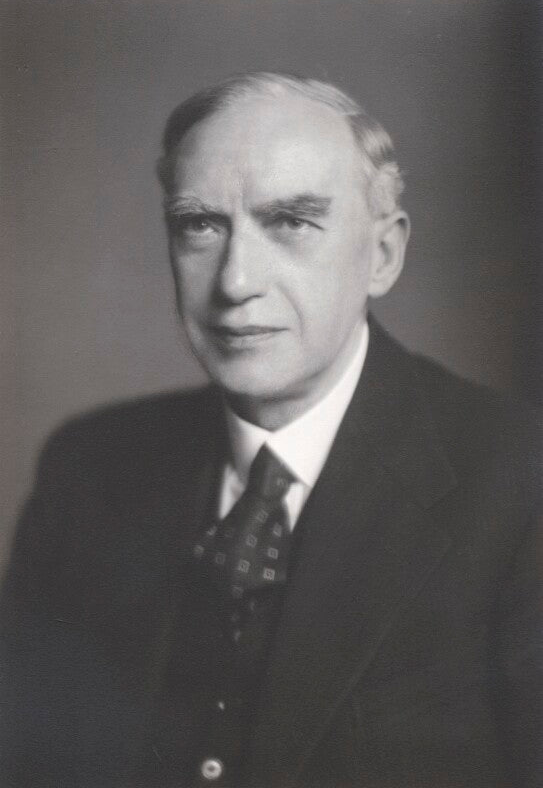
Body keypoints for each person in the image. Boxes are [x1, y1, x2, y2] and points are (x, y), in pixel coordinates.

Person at [1, 72, 541, 788]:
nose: (235, 282)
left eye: (290, 222)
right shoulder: (88, 468)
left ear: (382, 255)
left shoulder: (518, 480)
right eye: (200, 225)